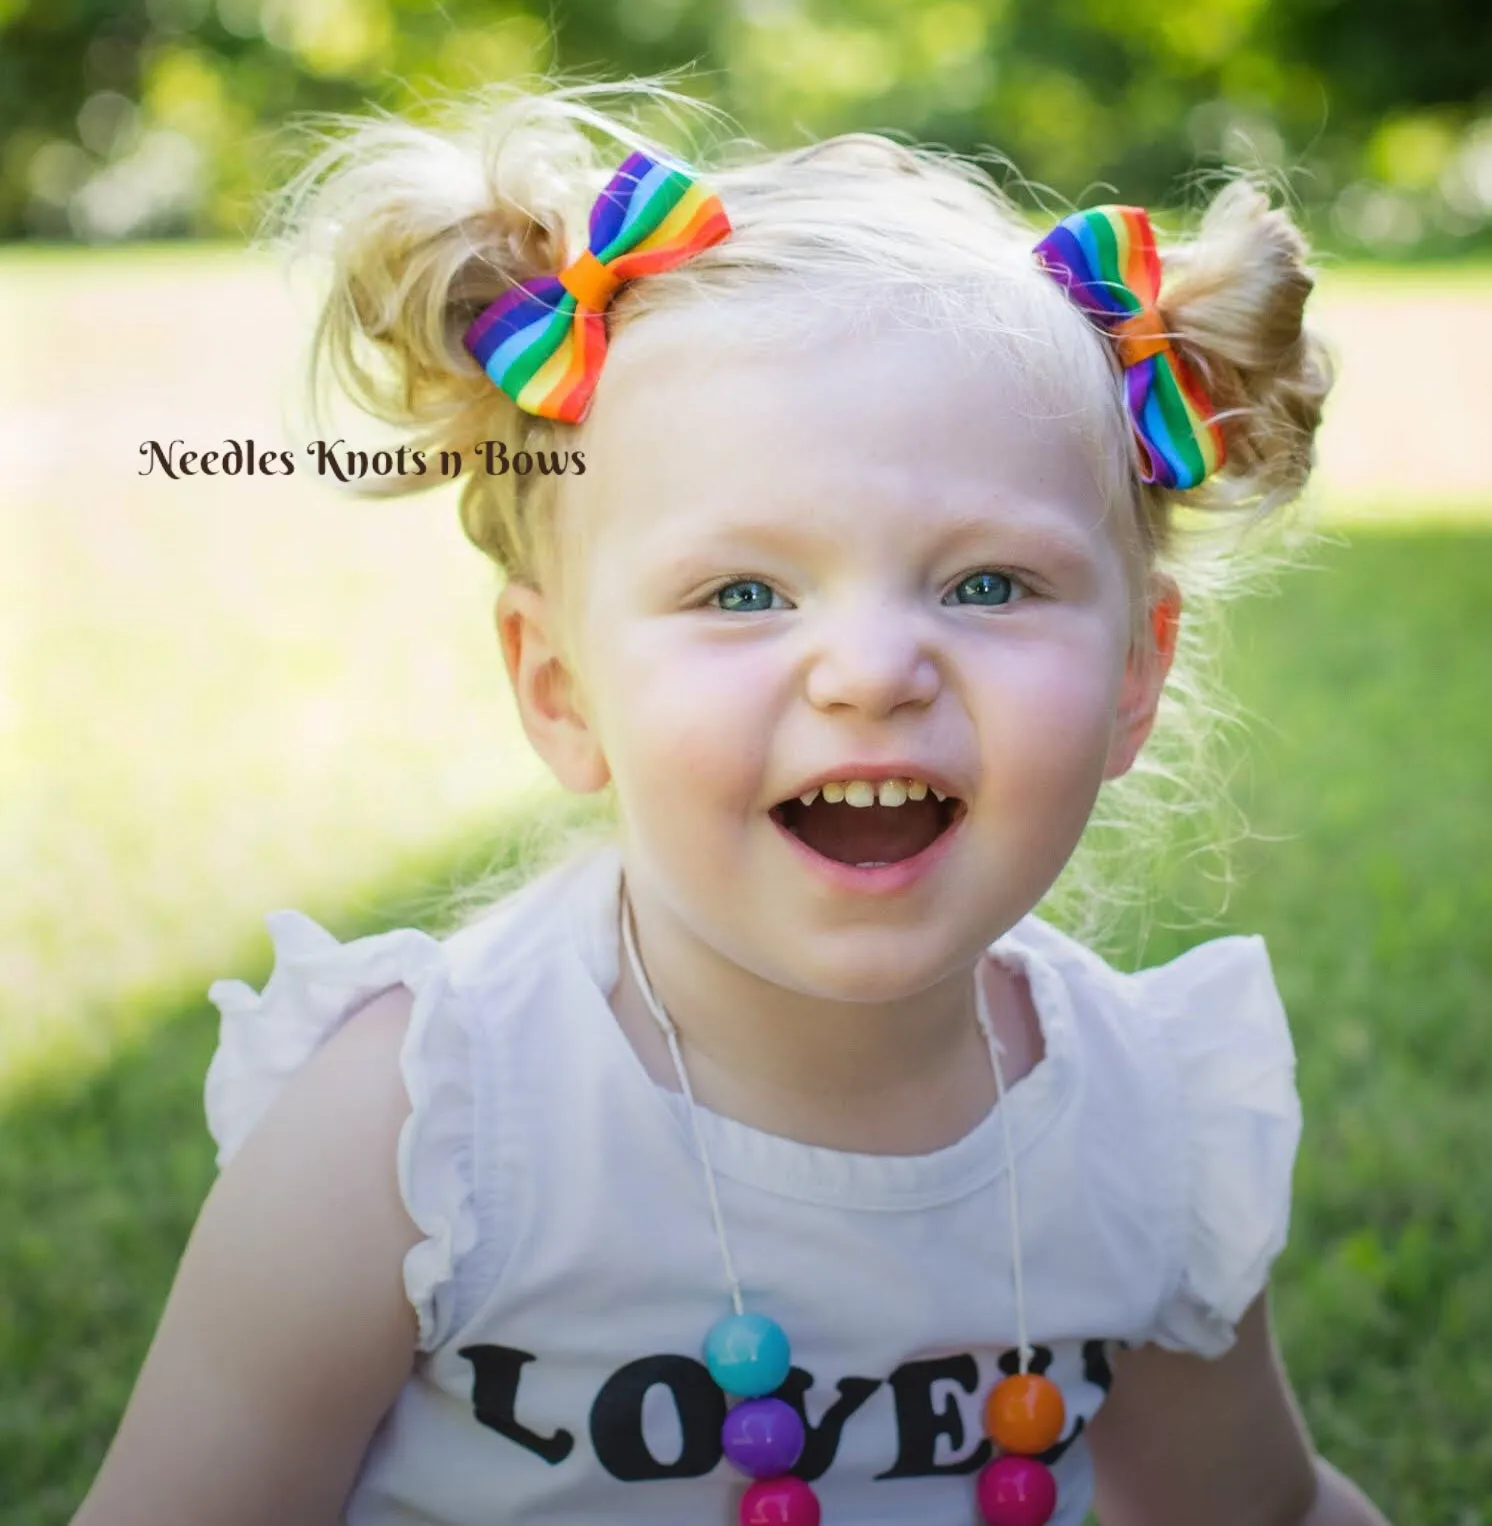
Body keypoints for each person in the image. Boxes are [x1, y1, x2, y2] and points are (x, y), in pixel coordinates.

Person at [71, 80, 1394, 1526]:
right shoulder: (422, 1132)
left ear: (1137, 670)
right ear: (562, 688)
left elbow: (1256, 1511)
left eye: (988, 583)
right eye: (744, 592)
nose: (875, 669)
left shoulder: (1145, 1125)